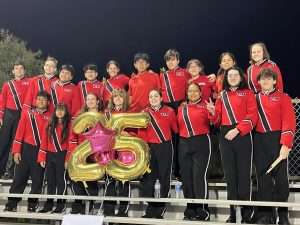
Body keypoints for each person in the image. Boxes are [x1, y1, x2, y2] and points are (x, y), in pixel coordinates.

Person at [206, 66, 258, 223]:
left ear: (241, 78)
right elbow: (217, 121)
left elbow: (252, 115)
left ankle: (247, 212)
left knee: (243, 174)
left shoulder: (248, 93)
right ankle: (233, 212)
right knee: (230, 175)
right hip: (225, 135)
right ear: (226, 79)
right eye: (230, 76)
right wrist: (213, 113)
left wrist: (237, 130)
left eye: (236, 75)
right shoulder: (222, 95)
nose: (233, 77)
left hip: (241, 134)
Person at [254, 68, 296, 225]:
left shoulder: (283, 97)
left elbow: (289, 122)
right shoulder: (254, 98)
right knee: (263, 178)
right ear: (258, 81)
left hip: (277, 140)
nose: (265, 81)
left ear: (274, 81)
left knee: (281, 181)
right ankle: (265, 215)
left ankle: (283, 216)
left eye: (268, 78)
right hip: (259, 140)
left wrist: (286, 144)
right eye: (262, 78)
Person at [4, 91, 51, 212]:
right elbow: (19, 133)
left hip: (41, 151)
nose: (41, 101)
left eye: (44, 100)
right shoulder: (27, 114)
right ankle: (12, 203)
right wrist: (16, 151)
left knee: (37, 179)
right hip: (25, 150)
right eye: (39, 99)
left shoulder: (52, 117)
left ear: (48, 102)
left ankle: (32, 204)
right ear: (35, 101)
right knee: (19, 178)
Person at [138, 89, 178, 219]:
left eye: (156, 96)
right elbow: (141, 133)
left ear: (161, 98)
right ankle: (150, 208)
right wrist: (145, 149)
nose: (153, 98)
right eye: (151, 97)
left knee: (164, 176)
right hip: (149, 147)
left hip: (165, 146)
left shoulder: (169, 111)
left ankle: (161, 208)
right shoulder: (144, 113)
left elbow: (176, 129)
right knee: (148, 178)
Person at [177, 82, 211, 221]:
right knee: (186, 178)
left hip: (201, 141)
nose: (192, 93)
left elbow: (215, 121)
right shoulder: (181, 108)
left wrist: (214, 112)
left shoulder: (206, 105)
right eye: (190, 91)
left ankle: (202, 210)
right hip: (184, 142)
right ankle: (190, 210)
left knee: (199, 177)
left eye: (195, 91)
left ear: (200, 92)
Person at [102, 88, 132, 217]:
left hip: (125, 149)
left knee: (124, 180)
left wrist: (128, 133)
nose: (118, 98)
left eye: (120, 96)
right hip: (110, 150)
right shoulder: (107, 113)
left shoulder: (130, 112)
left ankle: (123, 211)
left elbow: (137, 131)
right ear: (112, 99)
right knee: (110, 180)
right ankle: (108, 210)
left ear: (124, 98)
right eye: (115, 97)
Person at [69, 93, 101, 214]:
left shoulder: (102, 115)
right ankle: (77, 206)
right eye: (88, 99)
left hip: (95, 153)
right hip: (80, 152)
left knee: (92, 180)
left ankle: (90, 206)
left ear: (98, 102)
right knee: (76, 179)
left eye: (93, 99)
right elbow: (72, 136)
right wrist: (72, 153)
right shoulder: (79, 115)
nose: (91, 101)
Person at [37, 103, 71, 213]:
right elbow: (44, 142)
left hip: (62, 154)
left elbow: (71, 144)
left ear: (65, 112)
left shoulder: (69, 125)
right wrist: (42, 157)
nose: (59, 112)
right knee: (50, 181)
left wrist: (67, 159)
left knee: (61, 181)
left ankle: (61, 205)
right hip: (50, 155)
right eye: (57, 110)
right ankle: (49, 204)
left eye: (62, 110)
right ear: (54, 112)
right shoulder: (49, 124)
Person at [0, 62, 30, 179]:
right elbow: (2, 101)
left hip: (22, 115)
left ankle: (13, 171)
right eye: (16, 68)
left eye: (21, 68)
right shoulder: (7, 84)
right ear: (13, 71)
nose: (19, 70)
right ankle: (1, 170)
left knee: (18, 144)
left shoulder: (30, 81)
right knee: (4, 144)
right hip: (8, 114)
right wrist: (1, 116)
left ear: (24, 70)